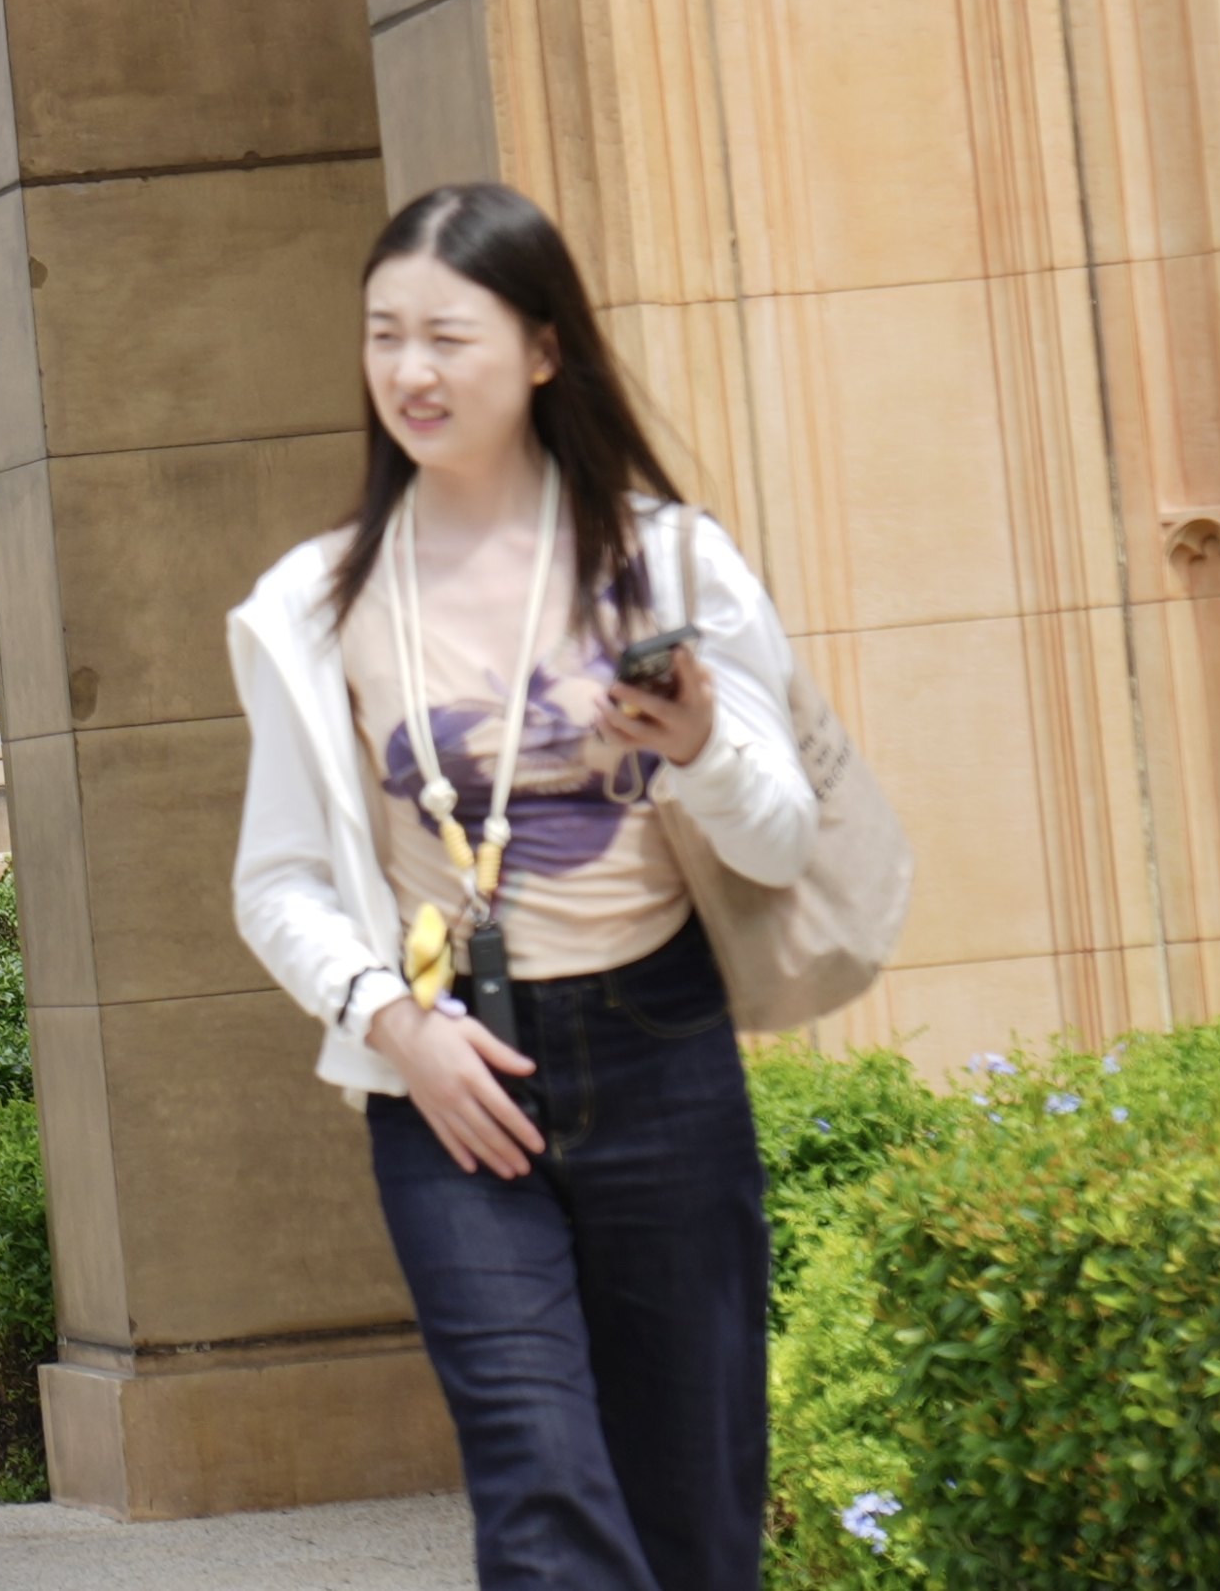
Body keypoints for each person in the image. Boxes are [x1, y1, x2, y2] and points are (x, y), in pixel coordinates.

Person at [227, 184, 817, 1589]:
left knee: (691, 1522)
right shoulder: (310, 606)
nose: (409, 372)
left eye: (446, 335)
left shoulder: (663, 558)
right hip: (450, 1078)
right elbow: (279, 881)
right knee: (536, 1484)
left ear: (543, 349)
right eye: (382, 336)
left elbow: (783, 834)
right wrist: (388, 1019)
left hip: (659, 1051)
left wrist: (698, 747)